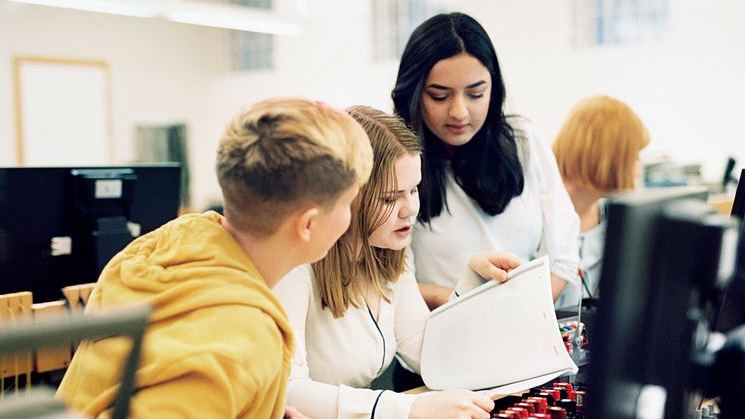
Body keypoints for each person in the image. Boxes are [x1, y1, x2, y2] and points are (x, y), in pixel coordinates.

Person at [56, 98, 374, 419]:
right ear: (308, 224)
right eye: (348, 203)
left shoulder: (160, 246)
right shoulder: (245, 340)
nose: (350, 217)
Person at [273, 105, 521, 419]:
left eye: (414, 189)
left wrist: (471, 284)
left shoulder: (391, 255)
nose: (409, 210)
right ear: (349, 196)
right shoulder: (296, 265)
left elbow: (426, 351)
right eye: (390, 198)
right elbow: (287, 390)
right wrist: (409, 408)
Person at [391, 12, 581, 309]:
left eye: (476, 94)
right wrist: (467, 299)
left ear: (494, 89)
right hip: (441, 332)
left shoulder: (523, 141)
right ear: (413, 94)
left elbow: (563, 256)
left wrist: (522, 307)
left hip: (530, 322)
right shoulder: (395, 166)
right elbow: (392, 285)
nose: (459, 112)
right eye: (439, 96)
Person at [552, 95, 650, 307]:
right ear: (606, 156)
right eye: (632, 157)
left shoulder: (612, 217)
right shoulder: (538, 214)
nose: (637, 170)